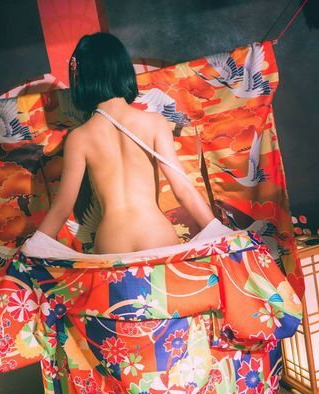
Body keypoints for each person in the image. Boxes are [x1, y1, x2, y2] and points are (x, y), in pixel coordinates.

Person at [35, 32, 216, 254]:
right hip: (156, 234)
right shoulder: (154, 122)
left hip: (112, 241)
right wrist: (218, 230)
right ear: (123, 69)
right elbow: (183, 190)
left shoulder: (79, 137)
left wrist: (33, 248)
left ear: (80, 78)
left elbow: (62, 208)